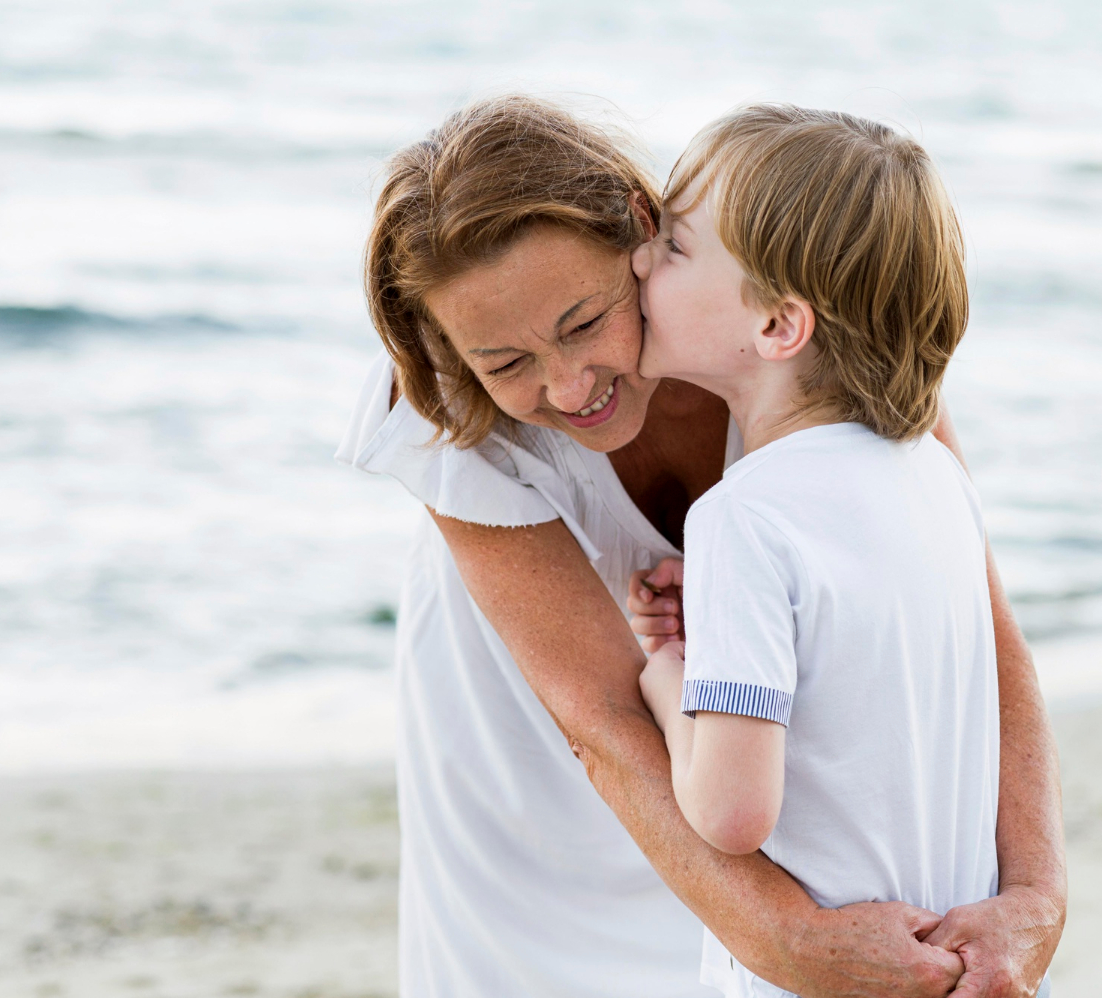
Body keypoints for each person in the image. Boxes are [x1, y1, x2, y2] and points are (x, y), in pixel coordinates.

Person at [338, 94, 1065, 998]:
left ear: (641, 238)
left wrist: (1036, 897)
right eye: (506, 364)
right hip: (537, 775)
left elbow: (983, 627)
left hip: (733, 772)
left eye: (583, 322)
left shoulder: (805, 342)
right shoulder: (443, 398)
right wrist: (786, 942)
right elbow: (600, 724)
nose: (569, 388)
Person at [630, 104, 1045, 998]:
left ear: (780, 325)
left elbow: (734, 814)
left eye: (673, 247)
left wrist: (666, 682)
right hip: (953, 957)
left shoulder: (744, 520)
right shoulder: (935, 477)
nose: (637, 260)